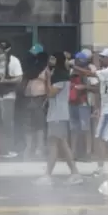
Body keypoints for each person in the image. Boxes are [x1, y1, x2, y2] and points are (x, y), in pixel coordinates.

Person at [36, 52, 83, 186]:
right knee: (56, 144)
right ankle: (52, 175)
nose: (50, 61)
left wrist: (48, 79)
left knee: (59, 144)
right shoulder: (58, 75)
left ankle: (70, 173)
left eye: (53, 58)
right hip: (55, 115)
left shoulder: (61, 77)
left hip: (58, 115)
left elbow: (51, 93)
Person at [73, 48, 108, 176]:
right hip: (107, 109)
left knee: (100, 138)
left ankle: (104, 167)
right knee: (106, 139)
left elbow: (90, 74)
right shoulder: (107, 72)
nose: (100, 59)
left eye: (103, 57)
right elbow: (99, 89)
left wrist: (74, 66)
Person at [0, 39, 22, 158]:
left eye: (1, 50)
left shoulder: (14, 61)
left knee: (7, 123)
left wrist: (5, 81)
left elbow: (19, 78)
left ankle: (8, 149)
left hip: (8, 95)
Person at [21, 44, 49, 160]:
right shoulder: (30, 68)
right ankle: (28, 147)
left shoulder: (45, 68)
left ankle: (39, 148)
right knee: (28, 124)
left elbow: (48, 84)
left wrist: (46, 99)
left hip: (39, 98)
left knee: (39, 124)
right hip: (28, 98)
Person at [68, 51, 96, 161]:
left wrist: (84, 87)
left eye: (78, 60)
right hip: (72, 102)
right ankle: (73, 152)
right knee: (74, 128)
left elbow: (95, 86)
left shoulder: (89, 71)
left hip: (83, 102)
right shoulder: (71, 70)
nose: (76, 61)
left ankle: (88, 152)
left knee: (86, 128)